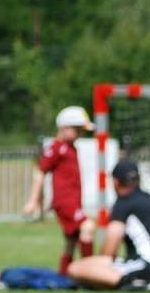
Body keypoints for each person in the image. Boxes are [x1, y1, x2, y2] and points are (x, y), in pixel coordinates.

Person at [67, 159, 150, 291]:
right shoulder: (149, 200)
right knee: (94, 266)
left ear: (116, 182)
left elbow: (111, 245)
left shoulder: (125, 203)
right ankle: (135, 281)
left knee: (75, 268)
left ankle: (132, 283)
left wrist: (99, 268)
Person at [21, 106, 97, 276]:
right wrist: (33, 201)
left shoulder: (72, 148)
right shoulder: (56, 148)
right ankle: (89, 272)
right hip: (65, 202)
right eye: (77, 130)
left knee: (71, 240)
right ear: (64, 128)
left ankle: (63, 275)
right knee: (88, 226)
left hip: (73, 202)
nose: (80, 134)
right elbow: (41, 172)